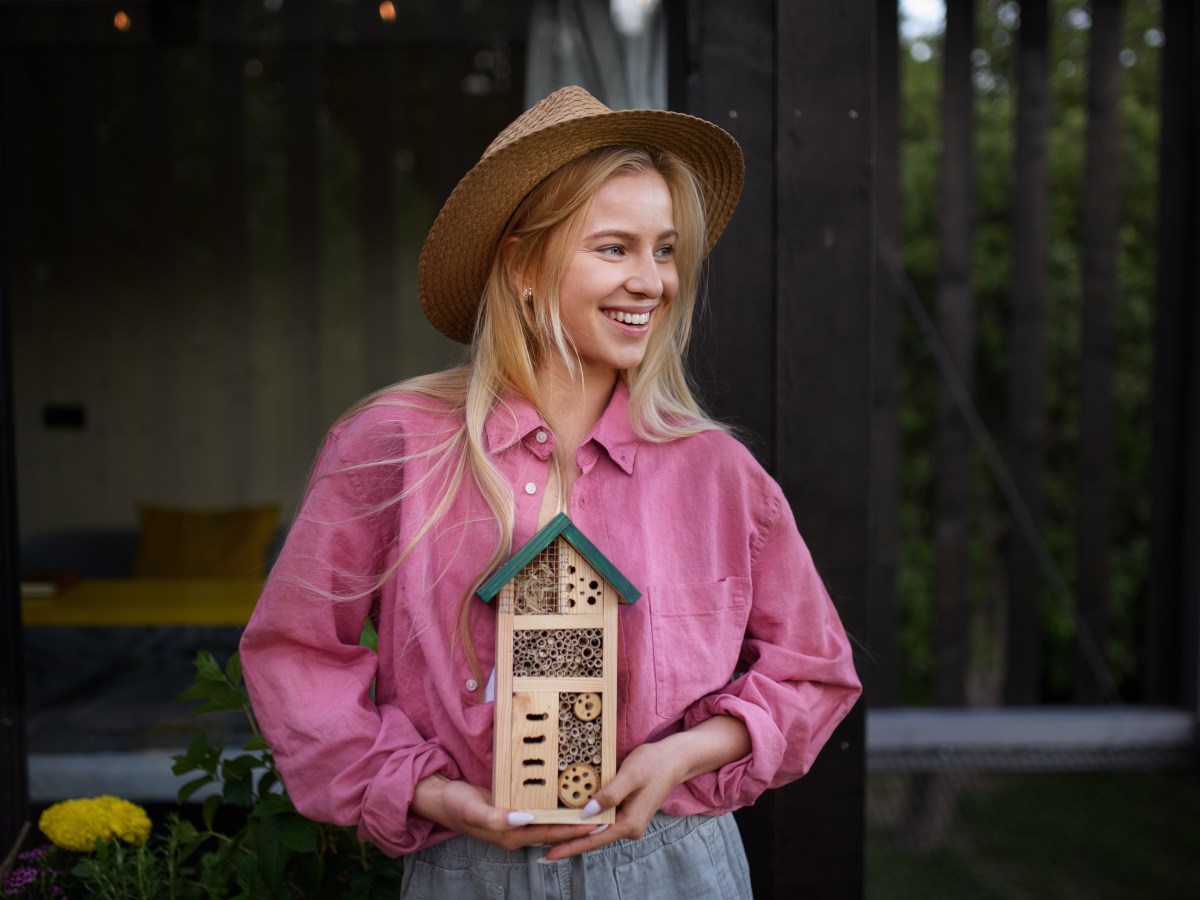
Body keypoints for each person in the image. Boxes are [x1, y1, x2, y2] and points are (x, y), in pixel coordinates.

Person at [239, 85, 861, 898]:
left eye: (665, 250)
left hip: (674, 865)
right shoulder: (392, 446)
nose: (652, 282)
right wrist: (432, 795)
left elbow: (813, 671)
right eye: (615, 249)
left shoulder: (717, 473)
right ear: (524, 265)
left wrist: (678, 756)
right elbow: (295, 656)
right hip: (466, 871)